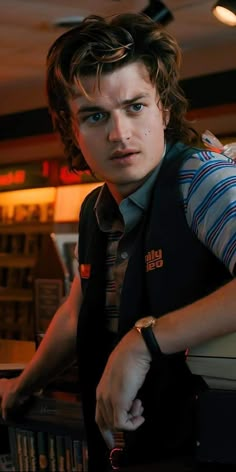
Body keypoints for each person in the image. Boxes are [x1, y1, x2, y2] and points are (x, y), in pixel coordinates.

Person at [0, 12, 236, 472]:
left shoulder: (203, 181)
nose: (119, 134)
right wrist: (24, 387)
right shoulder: (95, 208)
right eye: (94, 116)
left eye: (135, 106)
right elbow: (76, 311)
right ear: (72, 130)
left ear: (164, 109)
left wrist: (143, 342)